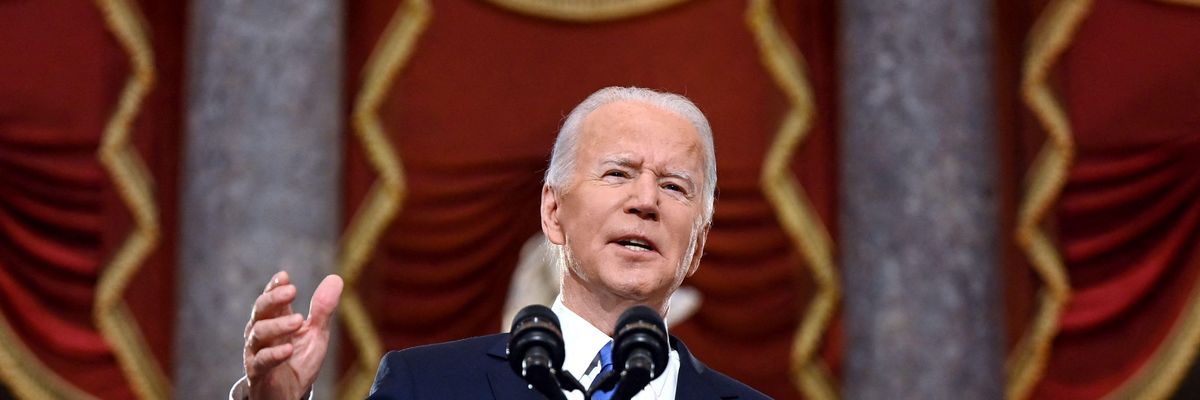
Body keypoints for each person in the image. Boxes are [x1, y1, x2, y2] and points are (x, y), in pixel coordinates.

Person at [234, 87, 770, 399]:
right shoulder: (429, 387)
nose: (646, 201)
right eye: (617, 174)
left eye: (675, 187)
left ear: (698, 243)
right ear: (553, 213)